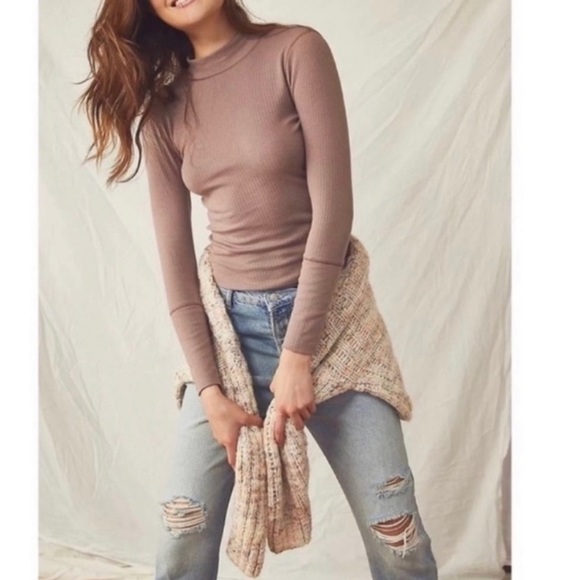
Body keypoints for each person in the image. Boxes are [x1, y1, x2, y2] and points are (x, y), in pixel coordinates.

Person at [79, 0, 439, 578]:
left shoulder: (295, 52)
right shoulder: (164, 115)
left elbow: (333, 212)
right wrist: (210, 393)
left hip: (333, 327)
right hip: (229, 339)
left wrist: (297, 354)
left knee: (397, 533)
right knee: (182, 531)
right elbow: (178, 273)